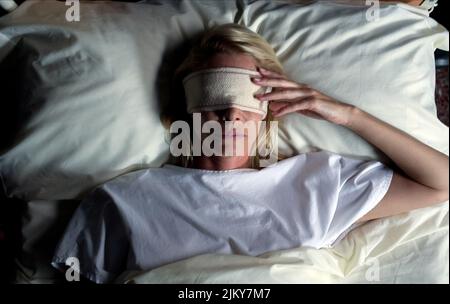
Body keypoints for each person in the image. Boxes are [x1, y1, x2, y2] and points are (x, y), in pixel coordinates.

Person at [52, 23, 449, 284]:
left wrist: (347, 114)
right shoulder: (124, 200)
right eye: (214, 97)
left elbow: (441, 182)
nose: (230, 112)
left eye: (247, 97)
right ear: (184, 112)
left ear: (268, 111)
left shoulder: (318, 183)